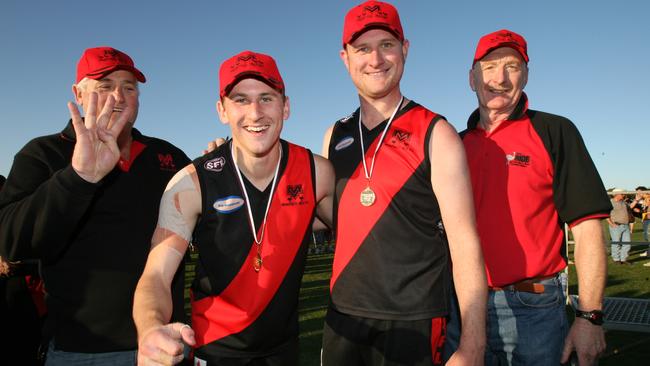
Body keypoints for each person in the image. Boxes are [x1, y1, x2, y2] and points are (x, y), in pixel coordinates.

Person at [133, 50, 335, 366]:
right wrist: (150, 329)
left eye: (267, 98)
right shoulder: (190, 183)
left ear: (286, 106)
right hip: (215, 350)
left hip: (284, 351)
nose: (255, 113)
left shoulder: (317, 173)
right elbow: (156, 275)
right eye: (240, 99)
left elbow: (360, 234)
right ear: (222, 110)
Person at [321, 2, 487, 365]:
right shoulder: (335, 135)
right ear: (345, 57)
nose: (375, 59)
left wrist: (473, 343)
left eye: (387, 45)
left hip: (413, 319)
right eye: (362, 48)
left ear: (405, 50)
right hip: (343, 315)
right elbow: (321, 216)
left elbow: (464, 241)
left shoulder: (436, 132)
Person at [0, 46, 190, 365]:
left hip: (164, 344)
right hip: (82, 350)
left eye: (129, 87)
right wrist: (78, 178)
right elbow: (10, 240)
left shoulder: (166, 157)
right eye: (105, 86)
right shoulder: (43, 154)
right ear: (78, 93)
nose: (118, 96)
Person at [447, 29, 612, 366]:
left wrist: (589, 317)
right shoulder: (453, 144)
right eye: (489, 66)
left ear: (526, 74)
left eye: (512, 66)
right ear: (471, 77)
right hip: (462, 309)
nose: (501, 78)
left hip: (533, 310)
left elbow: (588, 228)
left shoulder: (554, 130)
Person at [608, 188, 632, 264]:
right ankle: (616, 259)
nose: (624, 195)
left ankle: (623, 259)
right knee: (616, 243)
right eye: (622, 193)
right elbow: (606, 214)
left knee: (627, 243)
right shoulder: (610, 203)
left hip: (626, 225)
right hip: (616, 226)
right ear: (617, 194)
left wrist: (636, 200)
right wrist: (611, 223)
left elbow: (630, 207)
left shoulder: (623, 202)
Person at [630, 186, 650, 258]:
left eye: (638, 192)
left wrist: (640, 211)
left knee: (648, 236)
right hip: (645, 219)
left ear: (643, 192)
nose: (637, 194)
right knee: (646, 236)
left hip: (648, 220)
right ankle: (648, 251)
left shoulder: (648, 197)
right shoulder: (643, 199)